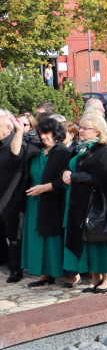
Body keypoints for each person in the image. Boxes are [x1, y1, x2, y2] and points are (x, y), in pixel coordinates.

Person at [61, 113, 107, 293]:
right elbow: (71, 166)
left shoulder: (102, 151)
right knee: (85, 240)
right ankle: (95, 277)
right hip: (78, 201)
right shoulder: (79, 149)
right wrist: (65, 172)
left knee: (98, 238)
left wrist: (74, 176)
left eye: (85, 128)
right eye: (80, 127)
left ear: (97, 132)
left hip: (96, 204)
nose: (80, 131)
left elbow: (103, 177)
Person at [22, 117, 74, 288]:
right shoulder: (37, 151)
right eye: (41, 133)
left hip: (53, 200)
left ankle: (66, 274)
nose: (44, 137)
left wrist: (44, 188)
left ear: (56, 133)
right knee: (37, 237)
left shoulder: (64, 152)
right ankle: (44, 273)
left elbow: (65, 180)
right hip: (34, 201)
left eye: (47, 133)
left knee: (52, 238)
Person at [0, 111, 27, 283]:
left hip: (12, 199)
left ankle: (16, 269)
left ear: (8, 129)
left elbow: (15, 154)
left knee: (14, 235)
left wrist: (19, 132)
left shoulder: (16, 143)